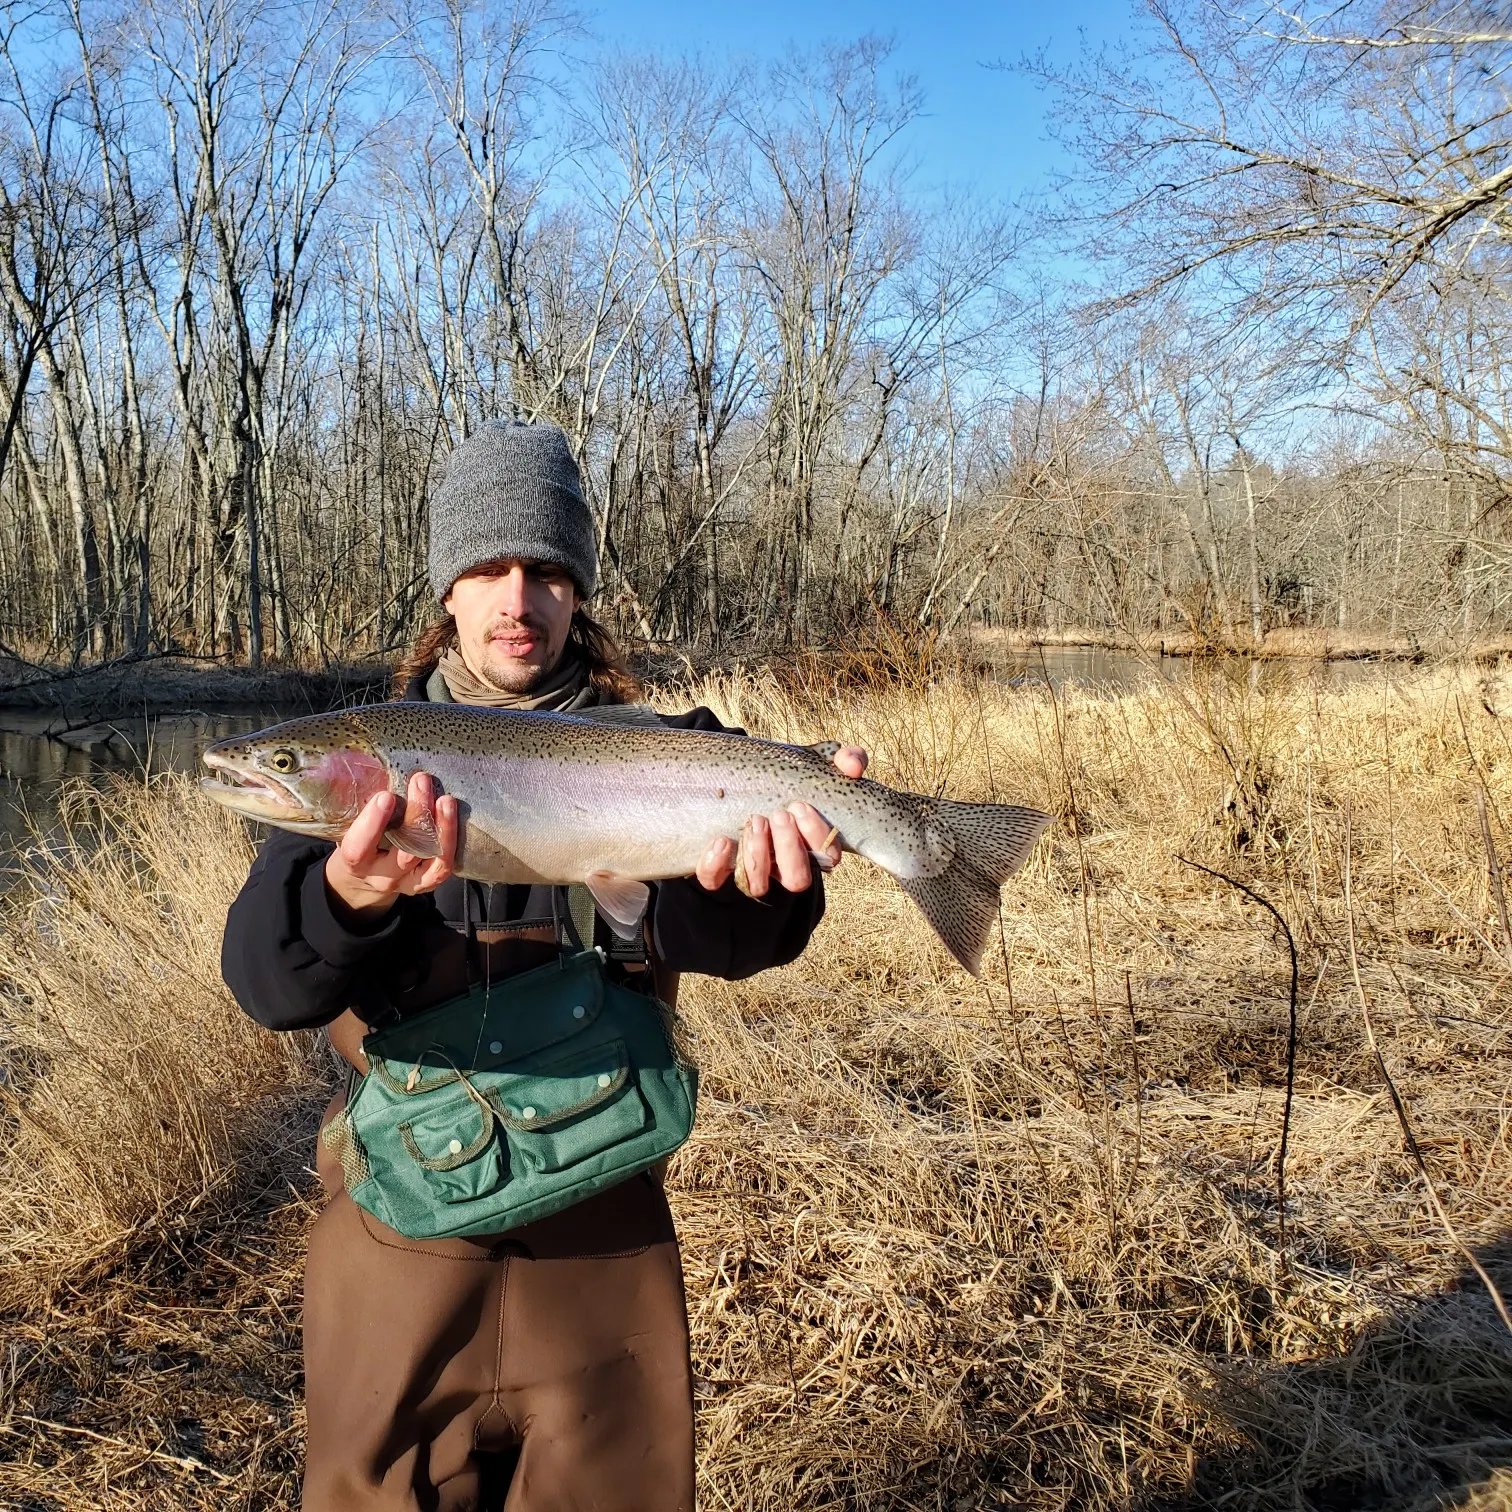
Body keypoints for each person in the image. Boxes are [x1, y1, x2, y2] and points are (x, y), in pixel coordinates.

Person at [221, 419, 867, 1512]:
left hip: (602, 1241)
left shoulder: (675, 749)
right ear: (448, 597)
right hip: (400, 1235)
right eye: (486, 570)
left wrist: (782, 872)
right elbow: (269, 987)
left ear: (577, 595)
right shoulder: (375, 762)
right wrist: (348, 898)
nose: (516, 599)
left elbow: (750, 942)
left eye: (545, 572)